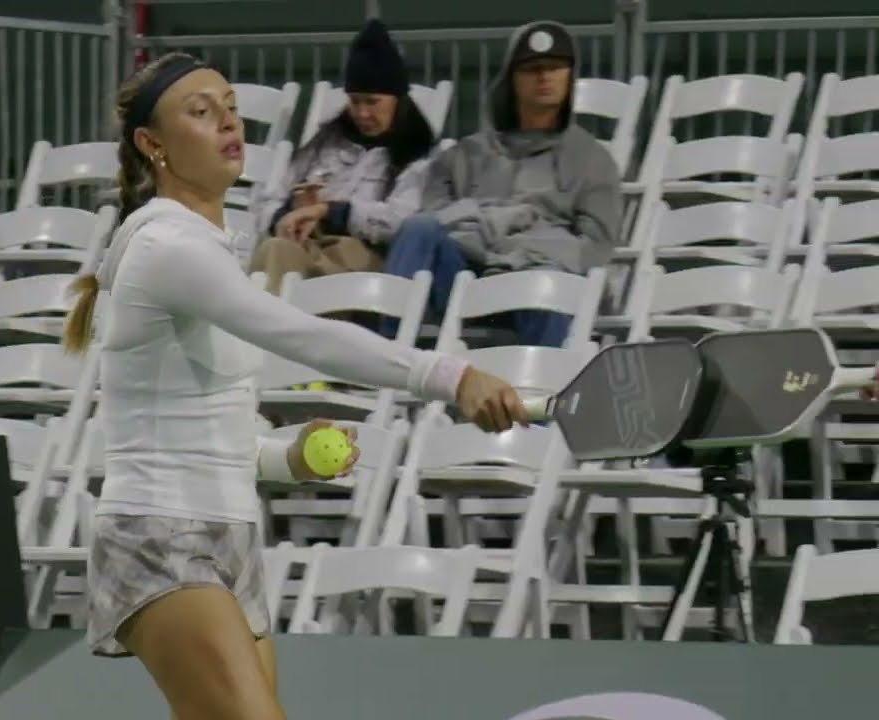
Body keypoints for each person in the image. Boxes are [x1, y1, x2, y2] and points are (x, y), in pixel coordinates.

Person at [61, 52, 528, 720]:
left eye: (229, 104)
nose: (227, 121)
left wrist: (288, 457)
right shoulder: (167, 247)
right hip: (159, 535)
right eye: (200, 111)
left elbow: (221, 431)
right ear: (152, 144)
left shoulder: (213, 245)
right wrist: (448, 374)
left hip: (235, 537)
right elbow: (300, 332)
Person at [382, 20, 622, 347]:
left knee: (546, 280)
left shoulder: (592, 159)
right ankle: (383, 358)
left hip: (538, 283)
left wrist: (523, 252)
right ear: (512, 78)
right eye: (532, 68)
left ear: (570, 77)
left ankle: (541, 391)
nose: (544, 76)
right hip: (466, 280)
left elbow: (594, 247)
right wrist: (490, 231)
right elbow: (435, 214)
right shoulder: (465, 154)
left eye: (555, 67)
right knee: (418, 229)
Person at [249, 19, 437, 294]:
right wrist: (287, 215)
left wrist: (332, 212)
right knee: (276, 249)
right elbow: (266, 198)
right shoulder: (326, 142)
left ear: (397, 100)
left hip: (364, 256)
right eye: (355, 101)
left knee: (290, 263)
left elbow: (401, 221)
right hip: (306, 246)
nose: (362, 113)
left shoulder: (417, 153)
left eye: (372, 102)